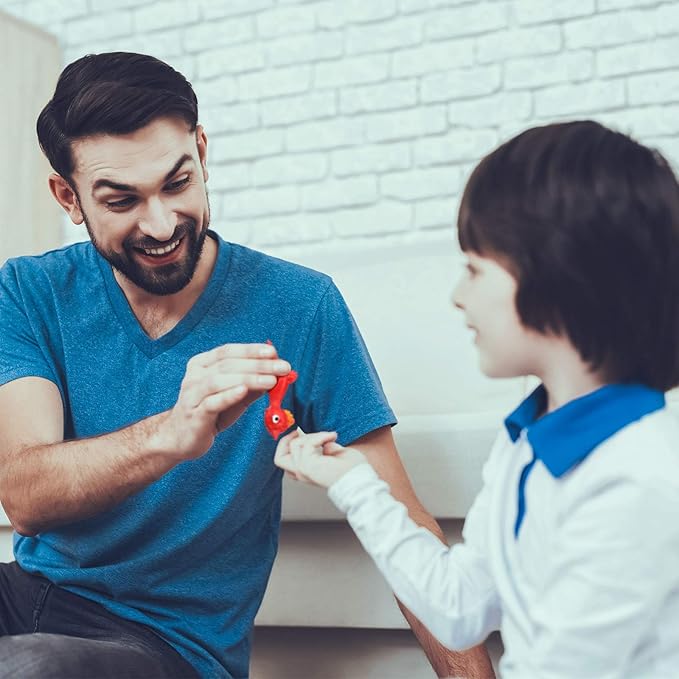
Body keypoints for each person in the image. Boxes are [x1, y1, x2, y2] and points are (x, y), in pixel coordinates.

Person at [0, 52, 495, 678]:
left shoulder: (300, 304)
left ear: (202, 155)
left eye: (177, 184)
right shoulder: (30, 290)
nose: (161, 224)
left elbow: (401, 516)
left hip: (164, 645)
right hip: (26, 597)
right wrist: (170, 434)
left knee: (28, 668)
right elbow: (25, 493)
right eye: (122, 201)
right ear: (69, 197)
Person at [275, 120, 679, 678]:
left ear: (557, 277)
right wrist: (353, 482)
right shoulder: (526, 442)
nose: (458, 296)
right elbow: (458, 607)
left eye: (474, 269)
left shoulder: (633, 479)